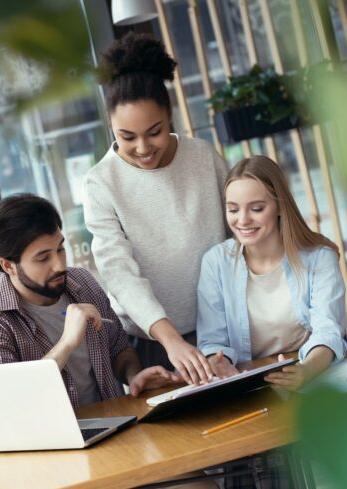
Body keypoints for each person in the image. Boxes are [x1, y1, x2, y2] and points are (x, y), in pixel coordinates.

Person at [0, 194, 222, 489]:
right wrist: (67, 342)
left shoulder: (80, 283)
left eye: (60, 248)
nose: (59, 265)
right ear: (7, 265)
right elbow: (6, 405)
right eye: (43, 257)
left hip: (112, 440)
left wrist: (133, 375)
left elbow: (118, 349)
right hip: (44, 460)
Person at [197, 156, 347, 489]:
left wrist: (306, 371)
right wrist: (218, 363)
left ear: (279, 206)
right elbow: (214, 340)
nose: (242, 220)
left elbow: (329, 328)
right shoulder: (216, 262)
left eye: (256, 208)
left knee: (267, 454)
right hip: (248, 387)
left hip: (305, 379)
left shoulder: (319, 257)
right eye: (233, 209)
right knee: (243, 455)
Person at [83, 32, 228, 386]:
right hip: (154, 346)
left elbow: (239, 234)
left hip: (225, 334)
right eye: (127, 137)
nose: (144, 147)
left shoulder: (203, 157)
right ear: (111, 126)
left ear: (170, 116)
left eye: (155, 131)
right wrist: (171, 340)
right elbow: (119, 273)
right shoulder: (100, 183)